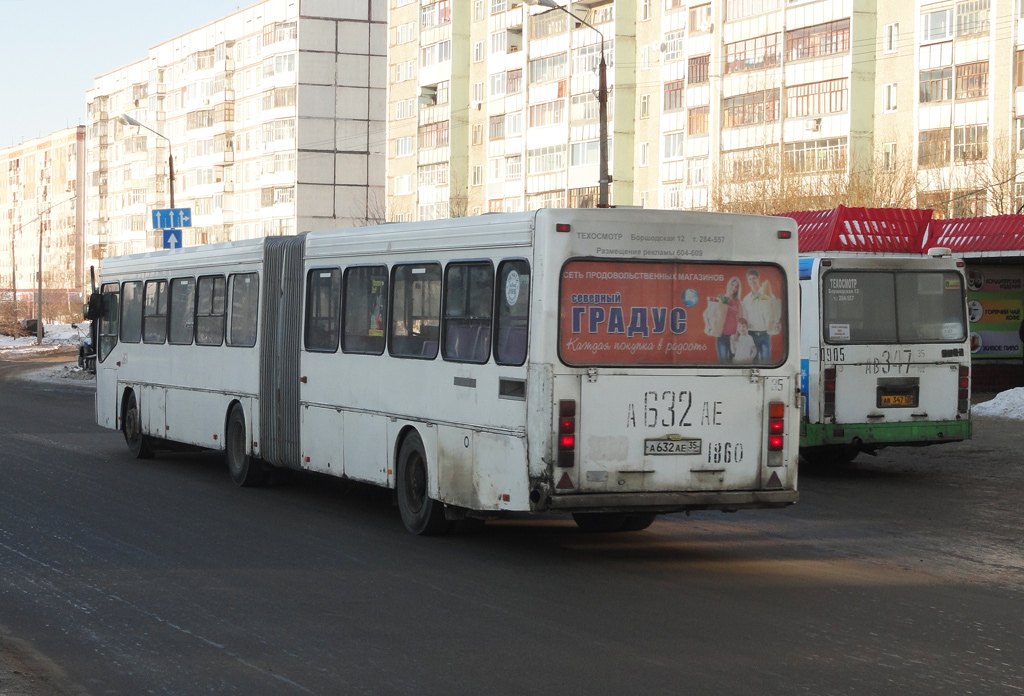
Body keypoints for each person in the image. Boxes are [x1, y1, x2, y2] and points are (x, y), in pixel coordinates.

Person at [741, 268, 775, 364]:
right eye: (750, 279)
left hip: (765, 334)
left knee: (766, 362)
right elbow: (745, 317)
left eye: (754, 278)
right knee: (752, 362)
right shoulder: (746, 299)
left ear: (758, 278)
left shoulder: (767, 294)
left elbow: (774, 312)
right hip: (751, 335)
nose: (752, 281)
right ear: (747, 281)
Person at [715, 276, 743, 363]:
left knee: (733, 362)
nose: (733, 288)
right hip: (722, 337)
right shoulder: (721, 299)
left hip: (733, 337)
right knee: (722, 363)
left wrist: (737, 334)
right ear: (729, 285)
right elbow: (715, 316)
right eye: (732, 285)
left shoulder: (737, 302)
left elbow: (740, 319)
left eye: (736, 287)